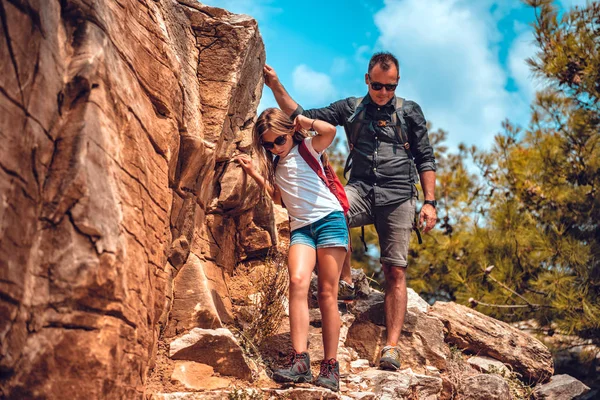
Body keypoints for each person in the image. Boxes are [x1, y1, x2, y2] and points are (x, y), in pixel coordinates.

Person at [263, 52, 437, 371]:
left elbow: (425, 157)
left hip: (399, 195)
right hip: (360, 187)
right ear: (367, 80)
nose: (383, 92)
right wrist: (275, 85)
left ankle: (391, 348)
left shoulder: (410, 111)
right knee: (334, 210)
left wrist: (429, 201)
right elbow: (300, 117)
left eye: (390, 87)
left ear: (397, 83)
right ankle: (346, 280)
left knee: (394, 269)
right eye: (378, 86)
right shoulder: (351, 107)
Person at [235, 108, 348, 392]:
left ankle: (331, 367)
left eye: (279, 140)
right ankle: (300, 362)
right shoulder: (276, 164)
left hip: (329, 222)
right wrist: (255, 173)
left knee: (326, 293)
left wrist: (303, 122)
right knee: (297, 282)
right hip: (301, 229)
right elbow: (278, 197)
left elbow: (330, 131)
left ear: (290, 133)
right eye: (268, 144)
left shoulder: (308, 147)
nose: (274, 147)